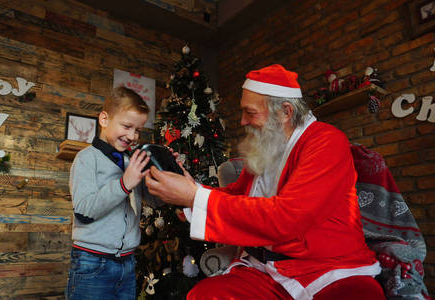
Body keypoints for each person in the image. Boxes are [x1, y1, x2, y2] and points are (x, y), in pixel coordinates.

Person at [145, 64, 386, 300]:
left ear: (285, 112)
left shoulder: (327, 142)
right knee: (203, 295)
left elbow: (287, 219)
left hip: (328, 270)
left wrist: (193, 197)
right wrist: (191, 187)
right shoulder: (267, 146)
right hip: (265, 270)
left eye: (250, 113)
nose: (242, 121)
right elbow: (237, 196)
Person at [66, 86, 151, 300]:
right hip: (92, 262)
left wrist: (169, 170)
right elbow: (84, 211)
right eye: (127, 126)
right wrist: (124, 184)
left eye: (138, 130)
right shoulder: (86, 159)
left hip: (127, 262)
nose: (132, 136)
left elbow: (154, 201)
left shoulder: (131, 162)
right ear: (104, 119)